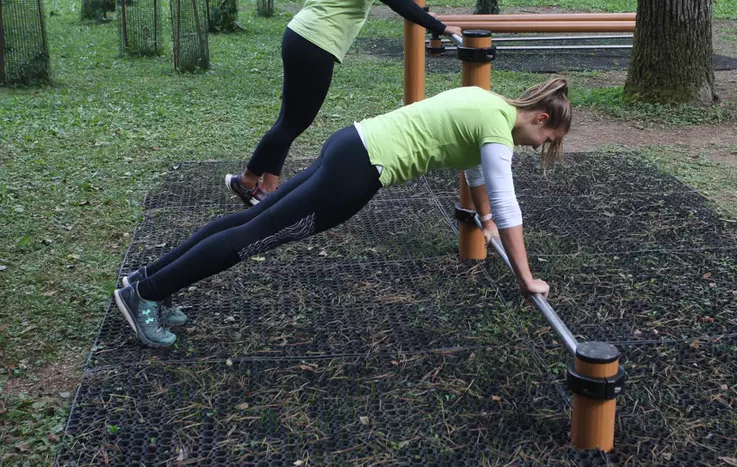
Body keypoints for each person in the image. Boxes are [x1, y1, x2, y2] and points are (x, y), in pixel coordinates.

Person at [115, 79, 572, 347]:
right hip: (359, 172)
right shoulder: (497, 123)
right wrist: (525, 277)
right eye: (547, 142)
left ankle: (144, 280)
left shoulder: (486, 101)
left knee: (245, 221)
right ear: (542, 120)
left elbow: (475, 171)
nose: (540, 148)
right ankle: (148, 293)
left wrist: (484, 218)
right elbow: (507, 198)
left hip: (351, 143)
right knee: (251, 237)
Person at [226, 0, 462, 206]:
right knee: (294, 121)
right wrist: (442, 27)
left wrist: (434, 22)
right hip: (314, 42)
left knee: (290, 119)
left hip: (304, 37)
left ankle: (267, 188)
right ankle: (248, 181)